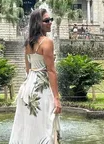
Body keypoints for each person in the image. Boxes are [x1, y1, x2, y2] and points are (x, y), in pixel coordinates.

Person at [9, 8, 61, 143]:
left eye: (51, 20)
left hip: (28, 88)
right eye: (46, 20)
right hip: (41, 89)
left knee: (28, 127)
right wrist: (56, 98)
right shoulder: (47, 42)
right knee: (44, 127)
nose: (50, 23)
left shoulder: (28, 43)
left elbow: (28, 69)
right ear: (38, 23)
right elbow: (51, 71)